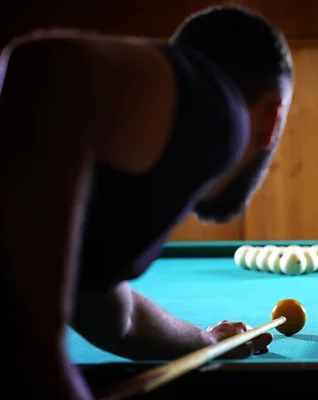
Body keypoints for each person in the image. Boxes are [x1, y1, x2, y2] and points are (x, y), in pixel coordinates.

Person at [0, 5, 294, 399]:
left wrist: (205, 340)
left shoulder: (96, 188)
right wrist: (42, 353)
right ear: (272, 118)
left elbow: (119, 318)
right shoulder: (223, 111)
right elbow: (48, 63)